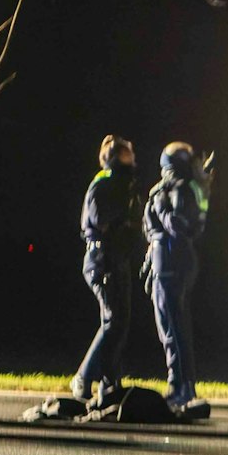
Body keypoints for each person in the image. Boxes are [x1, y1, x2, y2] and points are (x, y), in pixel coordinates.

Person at [70, 135, 141, 406]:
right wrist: (125, 219)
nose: (132, 160)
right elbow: (102, 220)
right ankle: (85, 377)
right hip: (102, 260)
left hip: (118, 259)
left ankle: (110, 384)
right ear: (114, 158)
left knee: (118, 323)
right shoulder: (103, 184)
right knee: (114, 321)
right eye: (127, 156)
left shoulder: (127, 185)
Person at [144, 141, 211, 418]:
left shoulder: (178, 189)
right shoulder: (188, 187)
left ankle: (181, 387)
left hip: (173, 261)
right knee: (172, 326)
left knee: (172, 327)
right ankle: (182, 385)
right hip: (169, 261)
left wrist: (160, 207)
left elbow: (178, 227)